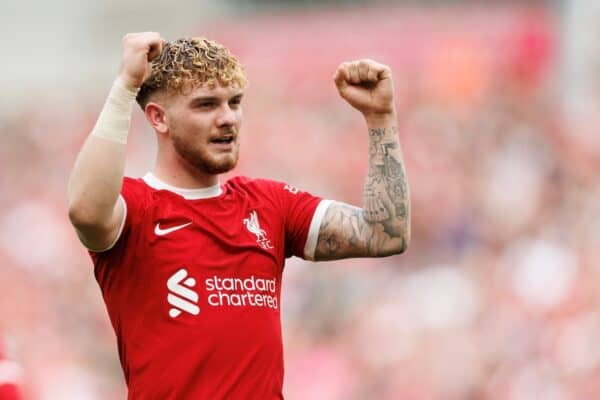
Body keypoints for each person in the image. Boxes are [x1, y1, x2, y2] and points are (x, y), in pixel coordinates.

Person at [67, 32, 410, 399]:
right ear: (159, 119)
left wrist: (380, 117)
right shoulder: (137, 208)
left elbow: (384, 232)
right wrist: (125, 86)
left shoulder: (268, 204)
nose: (227, 118)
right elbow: (85, 209)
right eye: (206, 105)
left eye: (234, 102)